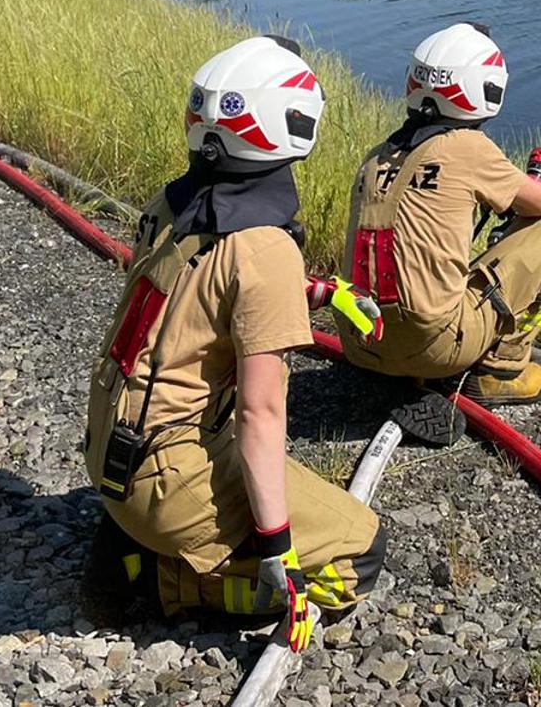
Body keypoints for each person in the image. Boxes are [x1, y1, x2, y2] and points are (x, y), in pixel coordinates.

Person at [79, 35, 385, 650]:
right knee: (362, 550)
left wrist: (320, 293)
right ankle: (165, 581)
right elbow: (261, 414)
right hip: (166, 476)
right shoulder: (265, 245)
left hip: (109, 449)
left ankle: (134, 533)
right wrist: (277, 545)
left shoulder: (171, 203)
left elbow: (199, 299)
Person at [335, 22, 541, 406]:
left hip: (360, 343)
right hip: (434, 349)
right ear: (485, 88)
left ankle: (403, 363)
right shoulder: (468, 147)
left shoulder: (376, 156)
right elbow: (540, 204)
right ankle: (502, 370)